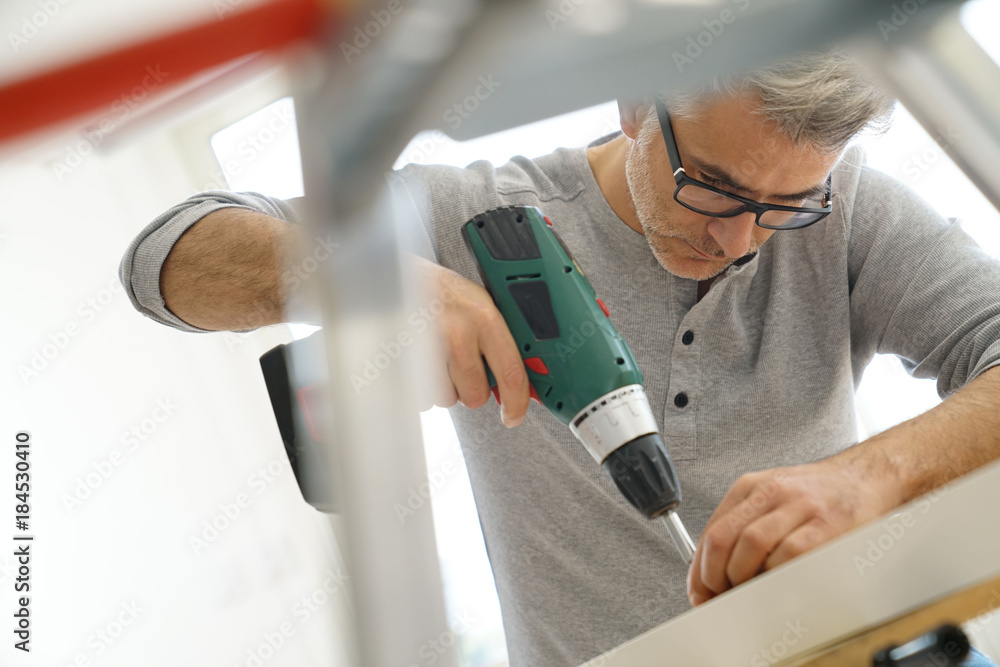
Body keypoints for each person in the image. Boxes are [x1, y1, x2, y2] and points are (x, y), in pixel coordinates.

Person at [119, 49, 1000, 666]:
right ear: (632, 102)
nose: (739, 239)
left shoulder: (847, 216)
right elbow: (162, 259)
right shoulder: (477, 221)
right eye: (714, 187)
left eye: (783, 206)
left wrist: (870, 478)